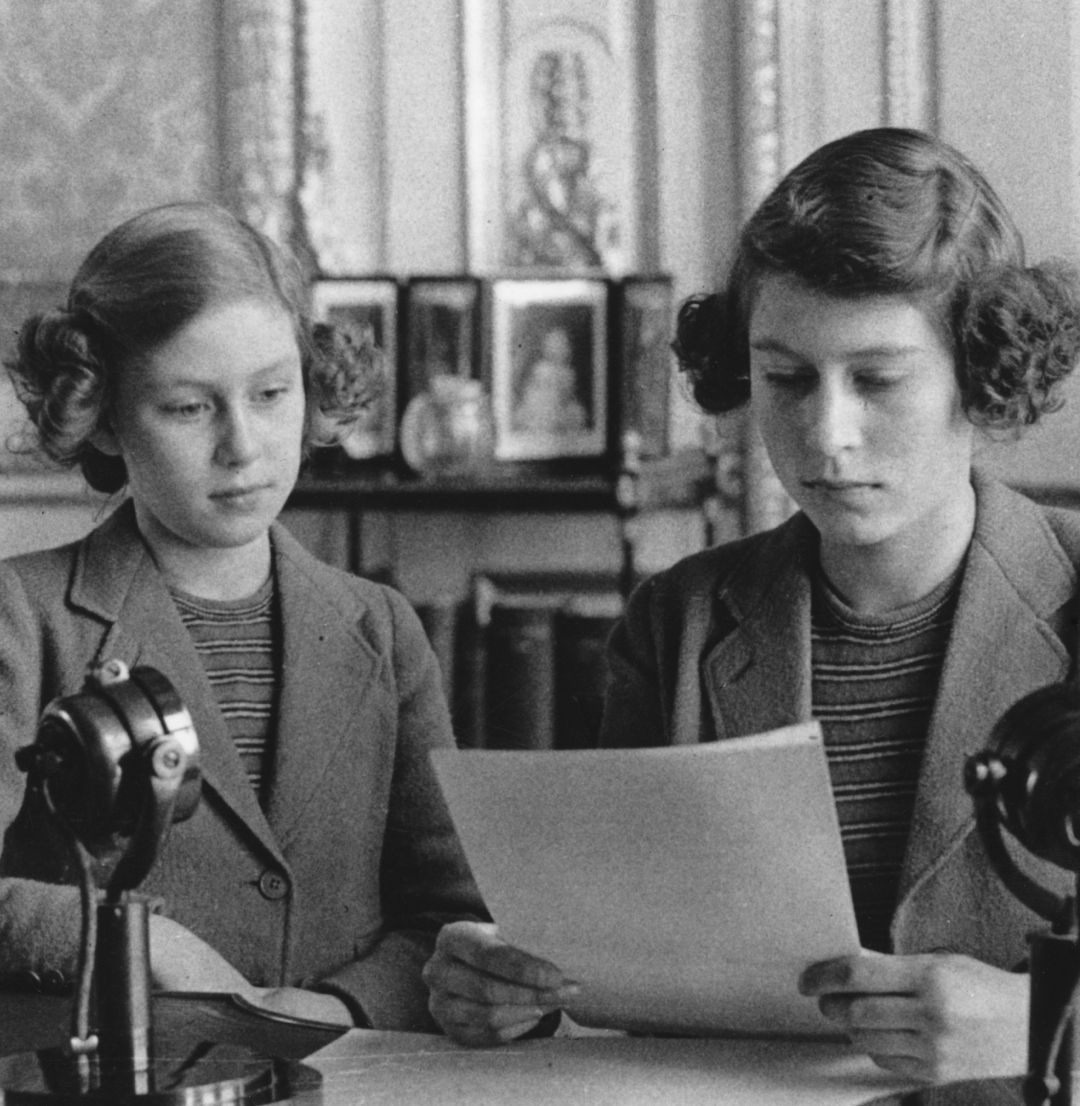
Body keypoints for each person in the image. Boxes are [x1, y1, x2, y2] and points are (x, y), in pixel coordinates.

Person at [423, 127, 1080, 1083]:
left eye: (878, 379)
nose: (825, 433)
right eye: (784, 378)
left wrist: (1045, 1027)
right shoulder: (676, 624)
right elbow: (617, 964)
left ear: (982, 378)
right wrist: (511, 987)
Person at [0, 201, 486, 1031]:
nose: (244, 446)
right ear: (105, 418)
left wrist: (335, 1006)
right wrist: (135, 941)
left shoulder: (384, 629)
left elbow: (444, 917)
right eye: (189, 408)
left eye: (270, 393)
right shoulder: (23, 616)